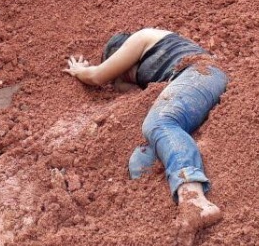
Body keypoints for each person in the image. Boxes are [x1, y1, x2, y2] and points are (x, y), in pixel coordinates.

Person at [64, 28, 228, 236]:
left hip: (202, 73)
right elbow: (137, 92)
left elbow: (97, 77)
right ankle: (167, 224)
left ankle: (194, 199)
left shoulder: (142, 38)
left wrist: (80, 71)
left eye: (122, 71)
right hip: (192, 95)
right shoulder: (154, 77)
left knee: (158, 122)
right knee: (140, 163)